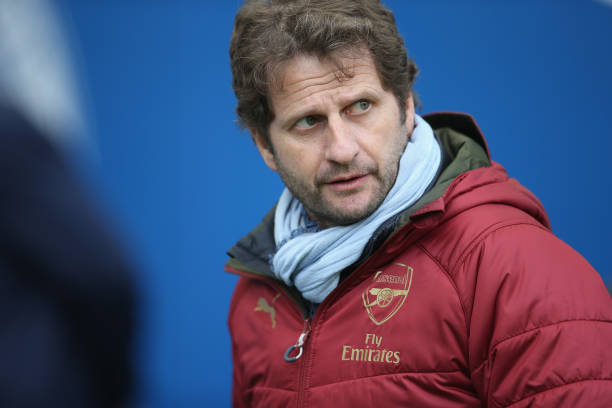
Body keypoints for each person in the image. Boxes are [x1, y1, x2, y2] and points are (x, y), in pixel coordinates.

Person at [225, 0, 612, 406]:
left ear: (407, 107)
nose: (342, 149)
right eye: (308, 121)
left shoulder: (510, 265)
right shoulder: (260, 293)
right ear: (264, 145)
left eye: (360, 107)